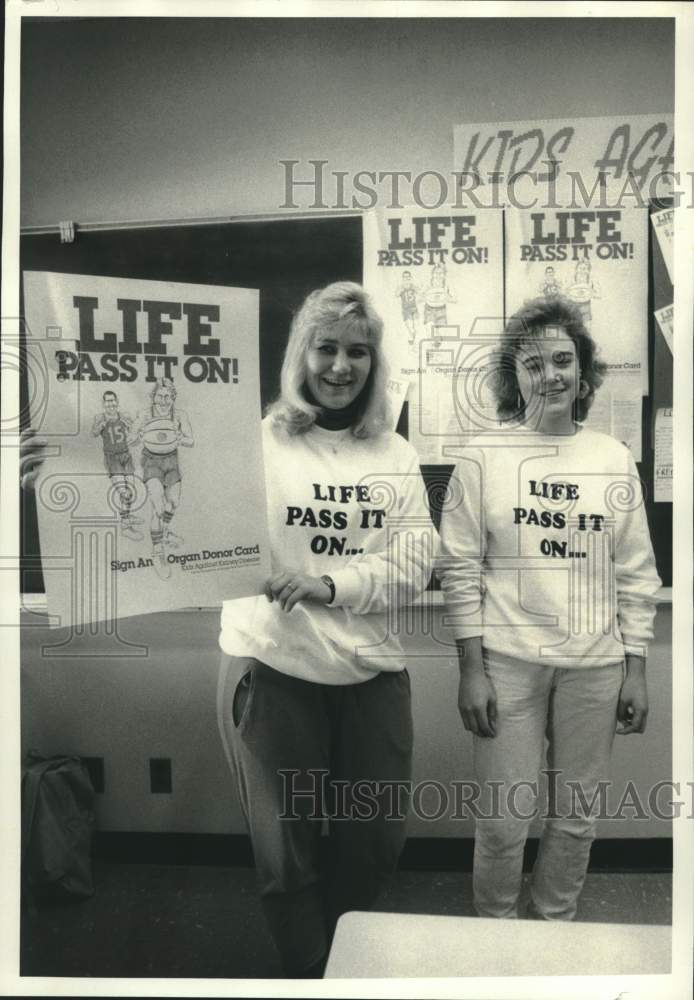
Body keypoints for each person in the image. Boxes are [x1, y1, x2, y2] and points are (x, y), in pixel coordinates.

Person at [217, 281, 436, 976]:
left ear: (375, 364)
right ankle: (309, 978)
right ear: (300, 354)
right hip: (275, 666)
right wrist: (70, 472)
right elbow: (174, 518)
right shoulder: (255, 444)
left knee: (371, 842)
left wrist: (331, 584)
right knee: (288, 852)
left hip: (370, 672)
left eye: (358, 352)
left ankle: (346, 962)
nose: (341, 366)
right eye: (327, 348)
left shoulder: (394, 454)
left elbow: (416, 559)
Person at [438, 296, 660, 921]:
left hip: (596, 668)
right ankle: (497, 932)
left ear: (583, 371)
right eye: (533, 365)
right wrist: (470, 669)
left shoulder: (613, 458)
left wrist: (635, 666)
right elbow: (459, 570)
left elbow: (635, 572)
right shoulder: (481, 456)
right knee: (504, 821)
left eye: (563, 360)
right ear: (515, 378)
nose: (551, 375)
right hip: (507, 664)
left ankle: (554, 928)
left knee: (576, 817)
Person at [131, 377, 194, 579]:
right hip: (151, 463)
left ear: (173, 398)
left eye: (168, 396)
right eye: (160, 396)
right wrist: (138, 433)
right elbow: (130, 440)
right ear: (153, 397)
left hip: (171, 463)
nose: (164, 400)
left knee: (172, 503)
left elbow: (191, 441)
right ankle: (158, 553)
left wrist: (179, 436)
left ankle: (165, 531)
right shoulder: (144, 415)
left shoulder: (179, 415)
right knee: (158, 507)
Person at [91, 389, 142, 542]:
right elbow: (93, 433)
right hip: (112, 458)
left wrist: (132, 430)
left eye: (113, 400)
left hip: (126, 456)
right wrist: (101, 426)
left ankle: (127, 514)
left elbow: (135, 435)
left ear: (117, 402)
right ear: (103, 403)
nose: (111, 403)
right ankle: (126, 527)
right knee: (124, 493)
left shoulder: (124, 416)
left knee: (130, 491)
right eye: (107, 401)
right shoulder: (99, 417)